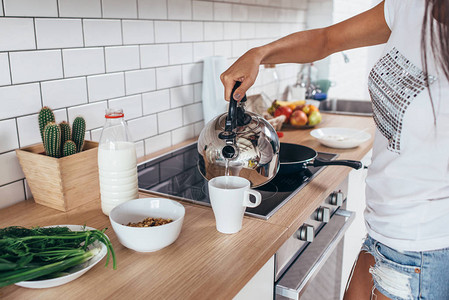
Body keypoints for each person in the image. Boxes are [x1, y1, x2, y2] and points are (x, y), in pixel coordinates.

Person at [220, 0, 449, 299]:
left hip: (422, 248)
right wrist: (259, 54)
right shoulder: (409, 5)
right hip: (381, 232)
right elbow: (327, 39)